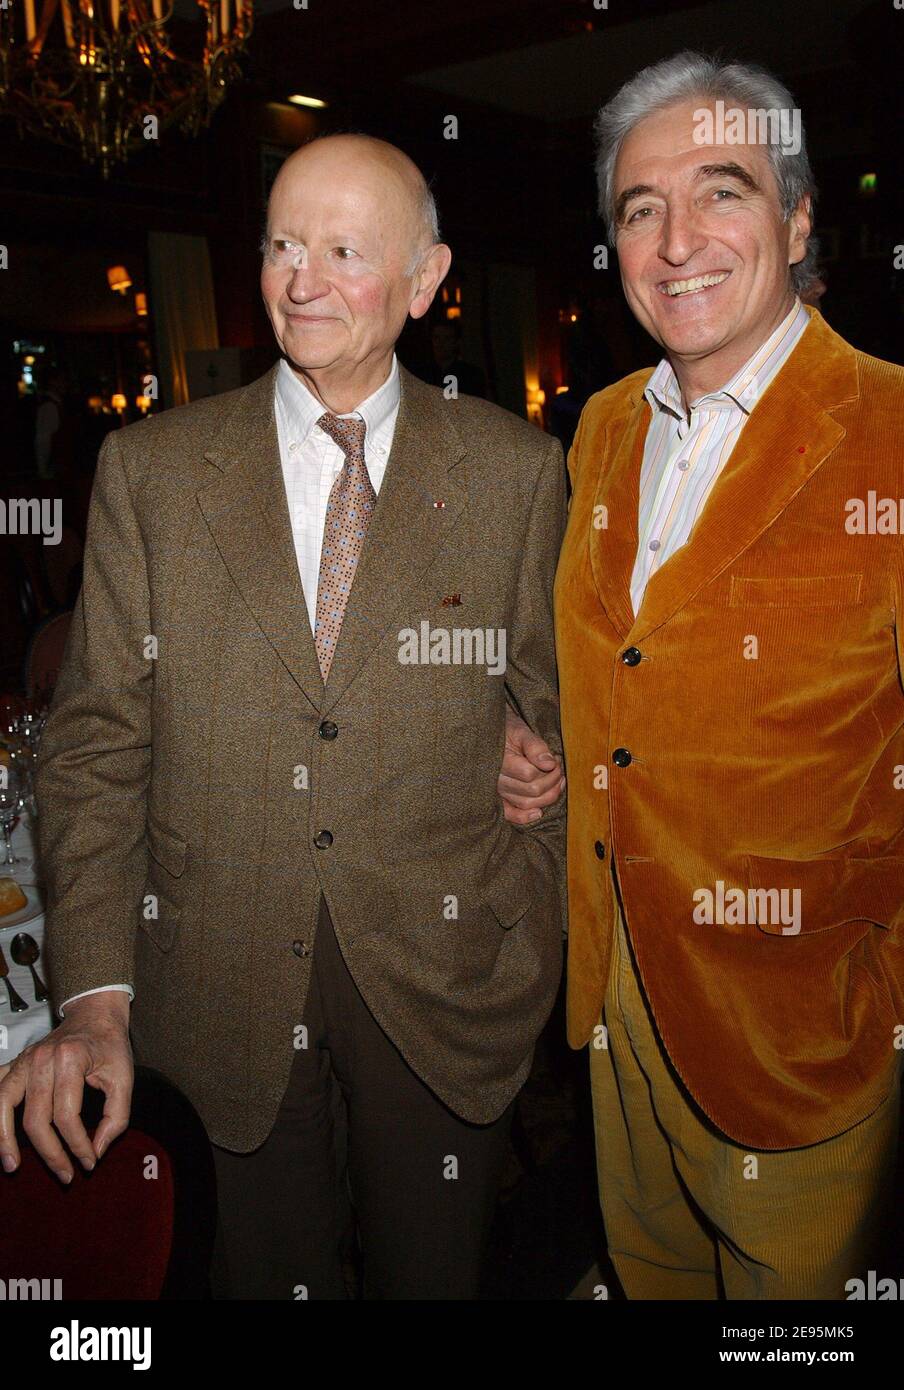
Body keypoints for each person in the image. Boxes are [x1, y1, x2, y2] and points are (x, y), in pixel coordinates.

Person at [0, 133, 567, 1300]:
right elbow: (98, 744)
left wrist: (538, 832)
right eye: (281, 245)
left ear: (424, 279)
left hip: (446, 977)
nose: (301, 281)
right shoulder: (152, 471)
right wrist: (93, 998)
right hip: (211, 987)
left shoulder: (518, 474)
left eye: (345, 251)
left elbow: (562, 713)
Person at [501, 51, 904, 1300]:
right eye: (637, 207)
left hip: (799, 1038)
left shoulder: (891, 430)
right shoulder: (605, 424)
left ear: (793, 217)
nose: (675, 240)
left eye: (719, 192)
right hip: (617, 1008)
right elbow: (634, 666)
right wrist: (565, 756)